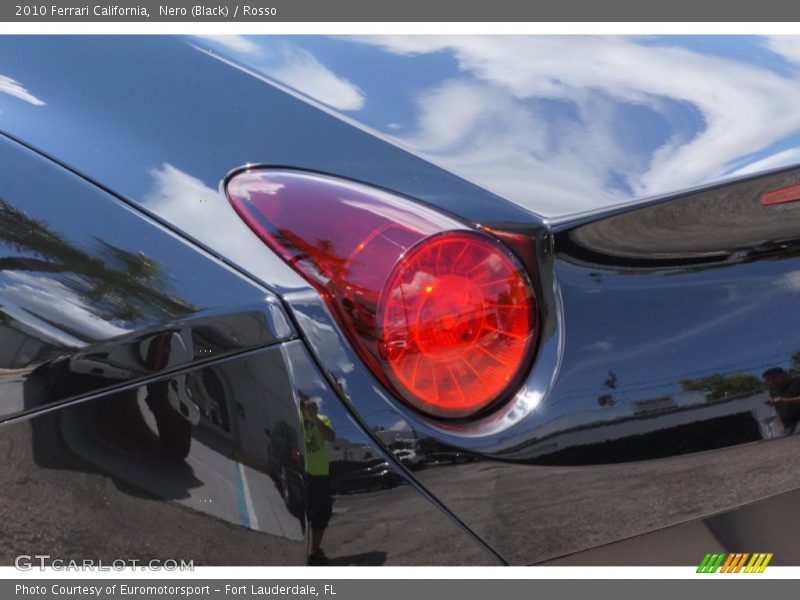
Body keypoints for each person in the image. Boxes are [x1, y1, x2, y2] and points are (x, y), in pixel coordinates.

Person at [301, 395, 336, 565]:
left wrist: (314, 416)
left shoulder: (322, 418)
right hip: (300, 471)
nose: (304, 403)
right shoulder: (293, 415)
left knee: (322, 513)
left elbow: (330, 436)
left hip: (320, 473)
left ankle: (313, 551)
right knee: (299, 512)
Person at [763, 367, 800, 433]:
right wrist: (782, 427)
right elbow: (778, 410)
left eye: (773, 379)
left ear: (783, 375)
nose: (771, 383)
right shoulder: (775, 390)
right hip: (789, 427)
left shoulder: (797, 382)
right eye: (768, 381)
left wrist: (784, 400)